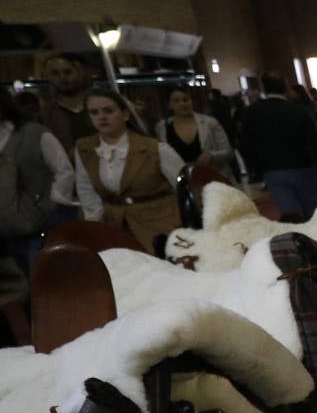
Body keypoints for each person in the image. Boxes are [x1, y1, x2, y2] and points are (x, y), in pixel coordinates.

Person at [73, 89, 185, 251]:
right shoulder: (85, 148)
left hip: (160, 224)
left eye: (108, 111)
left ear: (125, 114)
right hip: (114, 226)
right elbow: (86, 189)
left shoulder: (155, 149)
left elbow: (184, 188)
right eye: (94, 112)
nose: (102, 117)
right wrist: (96, 223)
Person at [0, 88, 79, 270]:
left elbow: (64, 170)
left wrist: (51, 203)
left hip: (43, 221)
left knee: (46, 272)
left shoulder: (35, 133)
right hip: (6, 226)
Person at [238, 73, 317, 219]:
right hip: (303, 167)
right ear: (286, 88)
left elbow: (245, 145)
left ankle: (296, 239)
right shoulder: (299, 111)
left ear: (263, 88)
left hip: (272, 170)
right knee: (313, 213)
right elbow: (314, 142)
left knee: (289, 215)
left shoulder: (252, 112)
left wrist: (256, 169)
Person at [154, 88, 236, 180]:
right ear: (169, 105)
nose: (183, 104)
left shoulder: (209, 123)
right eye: (176, 101)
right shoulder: (162, 127)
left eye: (186, 100)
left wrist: (212, 156)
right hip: (181, 180)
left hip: (213, 177)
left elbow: (228, 152)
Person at [40, 54, 96, 155]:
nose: (62, 77)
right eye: (55, 73)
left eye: (68, 72)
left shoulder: (100, 105)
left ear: (79, 72)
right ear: (48, 76)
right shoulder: (46, 114)